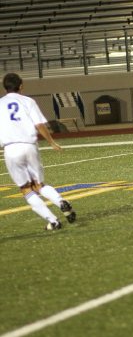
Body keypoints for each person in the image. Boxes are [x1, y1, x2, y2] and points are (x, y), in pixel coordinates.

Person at [0, 73, 76, 231]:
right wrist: (51, 142)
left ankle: (53, 221)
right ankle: (60, 201)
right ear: (21, 86)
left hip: (11, 148)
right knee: (39, 185)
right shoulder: (28, 101)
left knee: (26, 189)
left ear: (4, 87)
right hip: (30, 146)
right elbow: (39, 124)